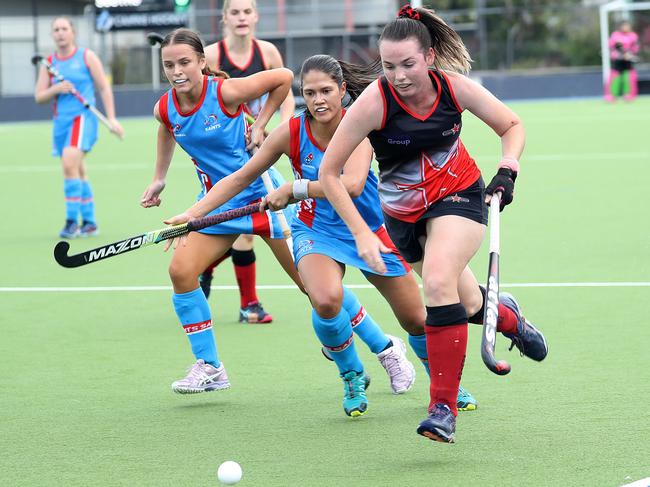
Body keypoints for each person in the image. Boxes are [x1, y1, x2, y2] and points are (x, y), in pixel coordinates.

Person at [164, 54, 484, 416]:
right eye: (310, 92)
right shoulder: (292, 132)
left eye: (326, 91)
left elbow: (351, 183)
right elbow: (240, 177)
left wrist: (295, 188)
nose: (318, 100)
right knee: (326, 299)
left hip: (371, 228)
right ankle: (351, 374)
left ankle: (443, 386)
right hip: (316, 229)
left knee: (415, 319)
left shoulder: (360, 125)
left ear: (343, 90)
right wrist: (192, 215)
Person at [319, 6, 548, 443]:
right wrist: (363, 233)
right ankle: (507, 319)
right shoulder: (373, 103)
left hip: (460, 195)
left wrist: (507, 167)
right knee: (462, 304)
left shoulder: (454, 89)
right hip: (402, 217)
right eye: (389, 66)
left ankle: (442, 408)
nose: (399, 75)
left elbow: (511, 124)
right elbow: (330, 174)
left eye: (408, 64)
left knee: (438, 285)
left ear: (429, 55)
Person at [140, 28, 302, 394]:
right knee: (181, 271)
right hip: (218, 202)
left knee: (314, 288)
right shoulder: (164, 106)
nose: (177, 71)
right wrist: (159, 178)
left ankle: (384, 347)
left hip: (262, 196)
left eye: (184, 62)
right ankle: (211, 367)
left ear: (201, 62)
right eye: (169, 65)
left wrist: (261, 124)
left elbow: (283, 78)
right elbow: (167, 128)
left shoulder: (226, 92)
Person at [198, 0, 297, 324]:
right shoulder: (211, 56)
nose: (241, 18)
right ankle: (249, 304)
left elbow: (283, 95)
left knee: (246, 221)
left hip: (259, 145)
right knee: (243, 223)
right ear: (224, 18)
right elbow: (202, 101)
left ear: (255, 16)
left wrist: (282, 131)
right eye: (234, 12)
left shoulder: (267, 53)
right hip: (224, 151)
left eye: (246, 11)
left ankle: (212, 271)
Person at [34, 16, 124, 238]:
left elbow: (104, 88)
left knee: (69, 162)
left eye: (64, 28)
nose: (60, 33)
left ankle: (72, 221)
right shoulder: (48, 64)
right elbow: (39, 97)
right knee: (77, 169)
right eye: (56, 29)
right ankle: (90, 222)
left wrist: (112, 118)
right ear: (52, 35)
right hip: (61, 122)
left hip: (83, 119)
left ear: (72, 32)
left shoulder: (86, 57)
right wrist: (57, 89)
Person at [605, 21, 640, 102]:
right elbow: (614, 46)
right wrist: (622, 54)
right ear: (621, 27)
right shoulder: (616, 35)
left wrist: (631, 55)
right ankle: (611, 95)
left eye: (627, 26)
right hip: (618, 60)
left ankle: (629, 95)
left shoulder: (633, 36)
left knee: (628, 78)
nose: (626, 27)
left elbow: (635, 47)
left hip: (628, 60)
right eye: (624, 26)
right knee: (615, 77)